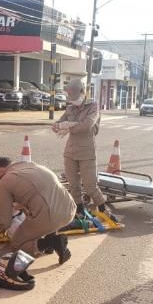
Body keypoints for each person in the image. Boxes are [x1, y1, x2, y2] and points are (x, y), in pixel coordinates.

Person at [0, 157, 77, 265]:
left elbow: (4, 222)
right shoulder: (34, 166)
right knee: (44, 209)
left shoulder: (5, 181)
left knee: (16, 245)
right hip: (70, 209)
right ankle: (51, 240)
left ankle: (51, 243)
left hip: (50, 216)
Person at [53, 80, 115, 220]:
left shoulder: (93, 106)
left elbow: (87, 125)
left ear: (83, 92)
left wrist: (68, 125)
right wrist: (58, 125)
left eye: (75, 96)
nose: (73, 100)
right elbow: (58, 123)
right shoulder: (70, 108)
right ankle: (79, 210)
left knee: (90, 186)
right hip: (70, 151)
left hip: (87, 152)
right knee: (73, 185)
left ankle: (103, 209)